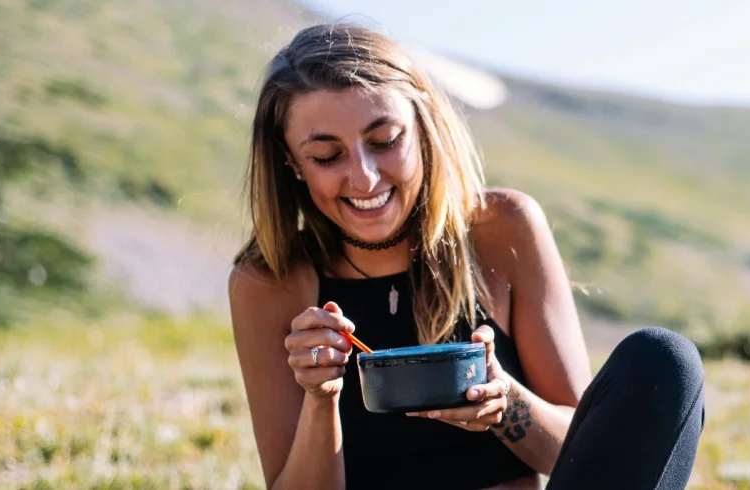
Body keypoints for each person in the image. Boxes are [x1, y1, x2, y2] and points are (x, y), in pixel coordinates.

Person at [227, 23, 705, 490]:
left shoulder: (502, 229)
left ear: (422, 128)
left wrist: (503, 401)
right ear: (291, 162)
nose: (365, 178)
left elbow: (585, 456)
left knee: (664, 363)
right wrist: (320, 398)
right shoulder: (270, 282)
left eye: (384, 141)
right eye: (328, 156)